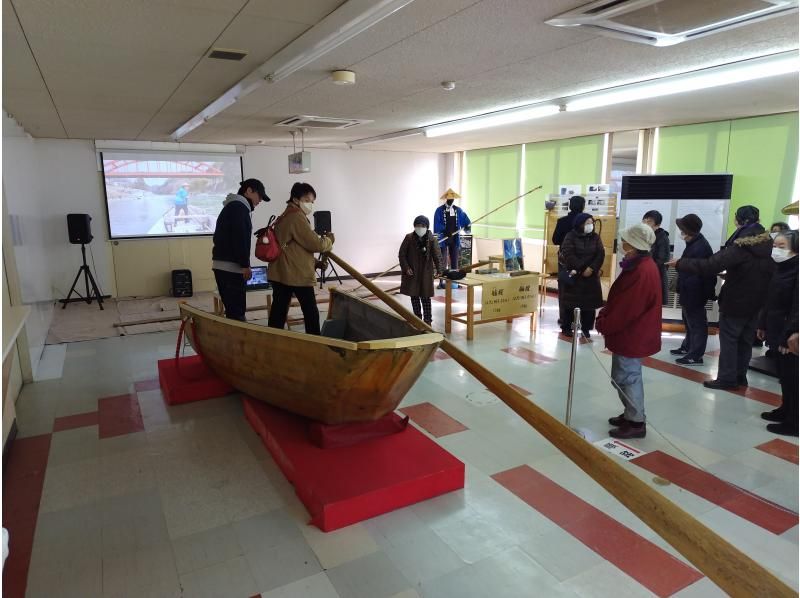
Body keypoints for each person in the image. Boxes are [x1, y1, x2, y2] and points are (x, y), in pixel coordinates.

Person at [668, 205, 774, 389]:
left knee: (730, 340)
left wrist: (681, 263)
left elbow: (710, 265)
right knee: (745, 341)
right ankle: (740, 376)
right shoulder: (765, 245)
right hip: (756, 302)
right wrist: (733, 274)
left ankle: (726, 379)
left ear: (740, 221)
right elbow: (754, 271)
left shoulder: (743, 245)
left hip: (736, 301)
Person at [597, 224, 662, 439]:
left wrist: (604, 323)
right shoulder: (639, 265)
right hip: (631, 332)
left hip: (632, 333)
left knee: (628, 377)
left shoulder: (642, 271)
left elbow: (628, 309)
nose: (622, 243)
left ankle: (636, 421)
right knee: (622, 376)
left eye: (625, 240)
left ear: (633, 245)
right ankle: (631, 413)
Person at [268, 183, 334, 335]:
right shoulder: (296, 216)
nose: (310, 204)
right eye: (307, 200)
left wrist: (315, 263)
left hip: (281, 272)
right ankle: (315, 343)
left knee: (278, 312)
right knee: (310, 312)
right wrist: (329, 240)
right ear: (296, 199)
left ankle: (271, 341)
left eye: (312, 201)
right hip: (296, 274)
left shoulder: (285, 215)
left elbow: (293, 248)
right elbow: (316, 244)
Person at [212, 179, 270, 321]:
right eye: (259, 196)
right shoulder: (239, 208)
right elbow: (240, 239)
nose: (260, 200)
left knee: (232, 311)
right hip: (231, 269)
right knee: (237, 313)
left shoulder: (232, 207)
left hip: (222, 266)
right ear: (249, 191)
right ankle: (239, 341)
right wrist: (245, 266)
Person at [669, 214, 716, 365]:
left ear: (689, 231)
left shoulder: (701, 247)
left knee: (697, 324)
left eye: (683, 229)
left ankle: (696, 355)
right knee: (689, 321)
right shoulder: (694, 243)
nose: (681, 232)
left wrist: (679, 263)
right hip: (688, 289)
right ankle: (687, 347)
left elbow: (700, 269)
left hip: (695, 291)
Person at [557, 213, 604, 338]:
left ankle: (586, 329)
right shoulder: (570, 236)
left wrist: (592, 268)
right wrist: (583, 268)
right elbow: (568, 254)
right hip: (575, 275)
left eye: (592, 223)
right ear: (580, 224)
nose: (591, 225)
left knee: (589, 306)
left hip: (591, 277)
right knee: (570, 304)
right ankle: (567, 327)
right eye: (587, 223)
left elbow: (600, 254)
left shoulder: (595, 237)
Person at [763, 278, 798, 436]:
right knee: (784, 374)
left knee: (793, 376)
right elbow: (773, 298)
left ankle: (795, 422)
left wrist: (793, 330)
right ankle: (786, 410)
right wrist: (763, 323)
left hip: (790, 330)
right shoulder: (782, 268)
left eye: (783, 249)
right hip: (780, 326)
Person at [757, 232, 798, 361]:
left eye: (782, 246)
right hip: (774, 327)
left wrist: (789, 334)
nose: (776, 250)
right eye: (774, 246)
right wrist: (763, 324)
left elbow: (797, 307)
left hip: (790, 334)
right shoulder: (778, 267)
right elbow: (769, 299)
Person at [399, 216, 443, 325]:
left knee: (426, 297)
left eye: (422, 226)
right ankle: (417, 319)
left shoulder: (432, 239)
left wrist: (439, 269)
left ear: (427, 227)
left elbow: (437, 256)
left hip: (426, 273)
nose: (420, 228)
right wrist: (406, 268)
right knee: (414, 296)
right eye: (418, 225)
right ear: (414, 226)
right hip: (412, 273)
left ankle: (427, 321)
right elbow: (402, 254)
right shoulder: (409, 238)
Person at [552, 195, 586, 328]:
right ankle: (579, 320)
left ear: (570, 206)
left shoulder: (562, 221)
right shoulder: (587, 221)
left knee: (564, 289)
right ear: (583, 206)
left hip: (564, 260)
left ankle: (564, 319)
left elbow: (555, 240)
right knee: (582, 290)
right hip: (582, 260)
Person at [433, 188, 471, 289]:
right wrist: (444, 230)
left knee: (454, 261)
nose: (451, 200)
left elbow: (465, 220)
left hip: (454, 238)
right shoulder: (439, 210)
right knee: (443, 261)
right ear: (446, 198)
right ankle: (442, 282)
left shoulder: (458, 210)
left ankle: (455, 282)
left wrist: (467, 225)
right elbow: (437, 223)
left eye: (452, 198)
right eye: (449, 198)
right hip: (444, 238)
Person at [642, 210, 670, 304]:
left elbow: (662, 261)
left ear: (657, 225)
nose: (645, 223)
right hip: (643, 277)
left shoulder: (662, 238)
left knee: (652, 307)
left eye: (649, 221)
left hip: (655, 278)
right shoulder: (643, 235)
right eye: (644, 220)